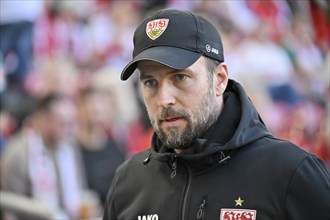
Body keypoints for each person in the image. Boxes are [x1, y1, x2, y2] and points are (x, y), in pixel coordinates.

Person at [103, 8, 329, 220]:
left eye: (180, 77)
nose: (164, 99)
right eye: (150, 82)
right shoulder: (127, 182)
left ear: (219, 79)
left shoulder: (290, 172)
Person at [1, 94, 85, 219]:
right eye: (62, 123)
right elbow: (10, 208)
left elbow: (80, 190)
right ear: (43, 119)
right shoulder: (18, 153)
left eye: (71, 124)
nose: (68, 130)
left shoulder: (70, 147)